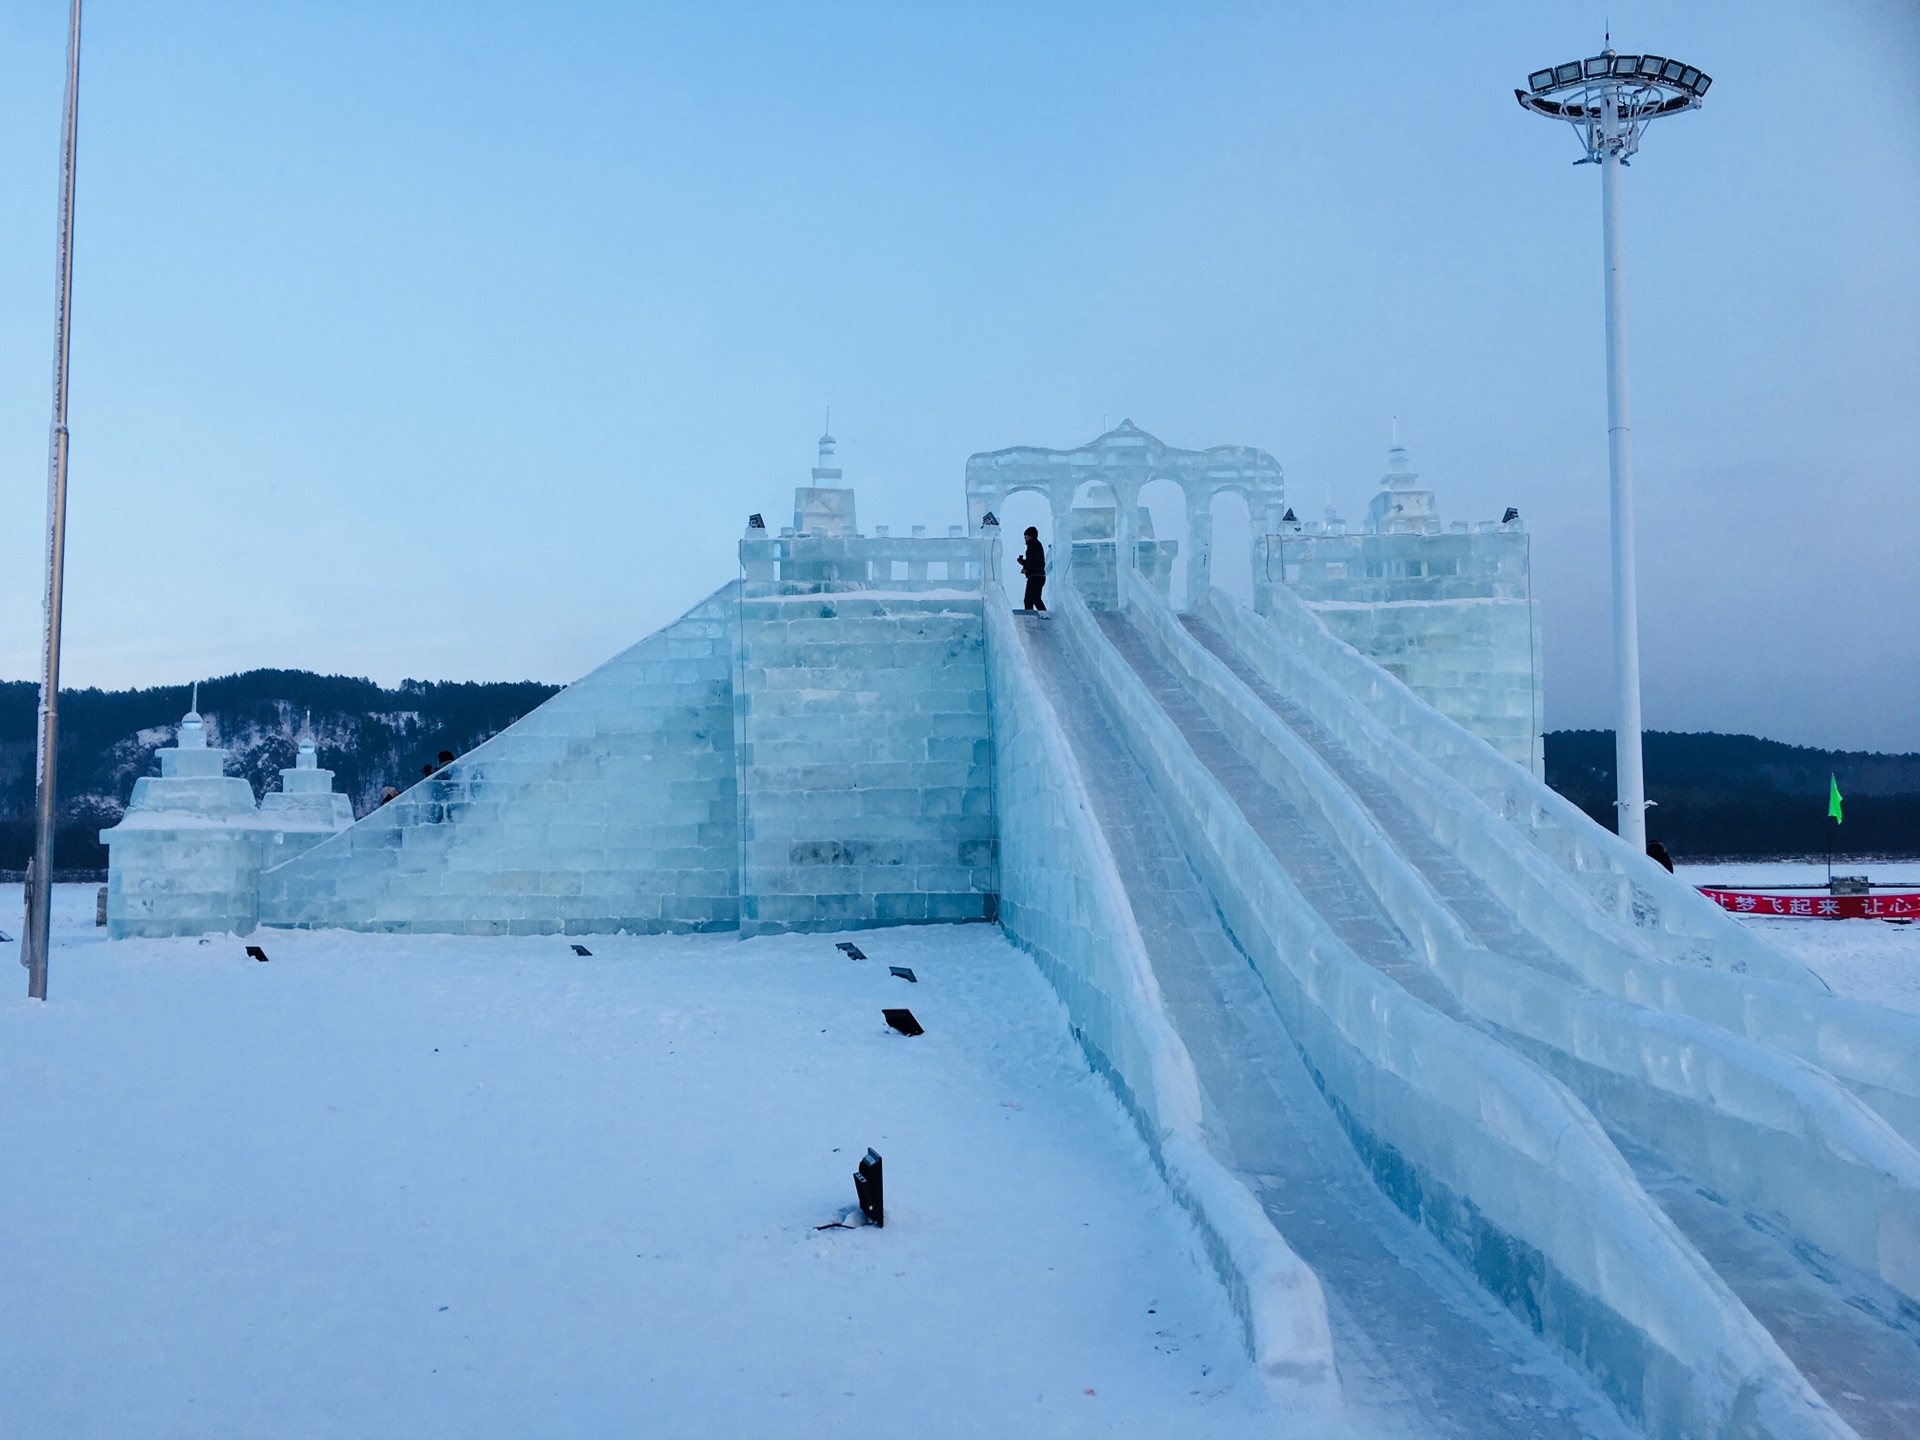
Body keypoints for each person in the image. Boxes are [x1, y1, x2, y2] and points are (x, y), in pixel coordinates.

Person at [1016, 526, 1047, 612]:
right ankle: (1031, 616)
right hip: (1036, 576)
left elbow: (1033, 559)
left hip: (1036, 576)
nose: (1024, 538)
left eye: (1025, 536)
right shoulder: (1035, 545)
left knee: (1034, 598)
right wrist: (1023, 562)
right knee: (1029, 599)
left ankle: (1044, 616)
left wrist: (1026, 567)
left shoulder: (1033, 545)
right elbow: (1032, 560)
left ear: (1030, 536)